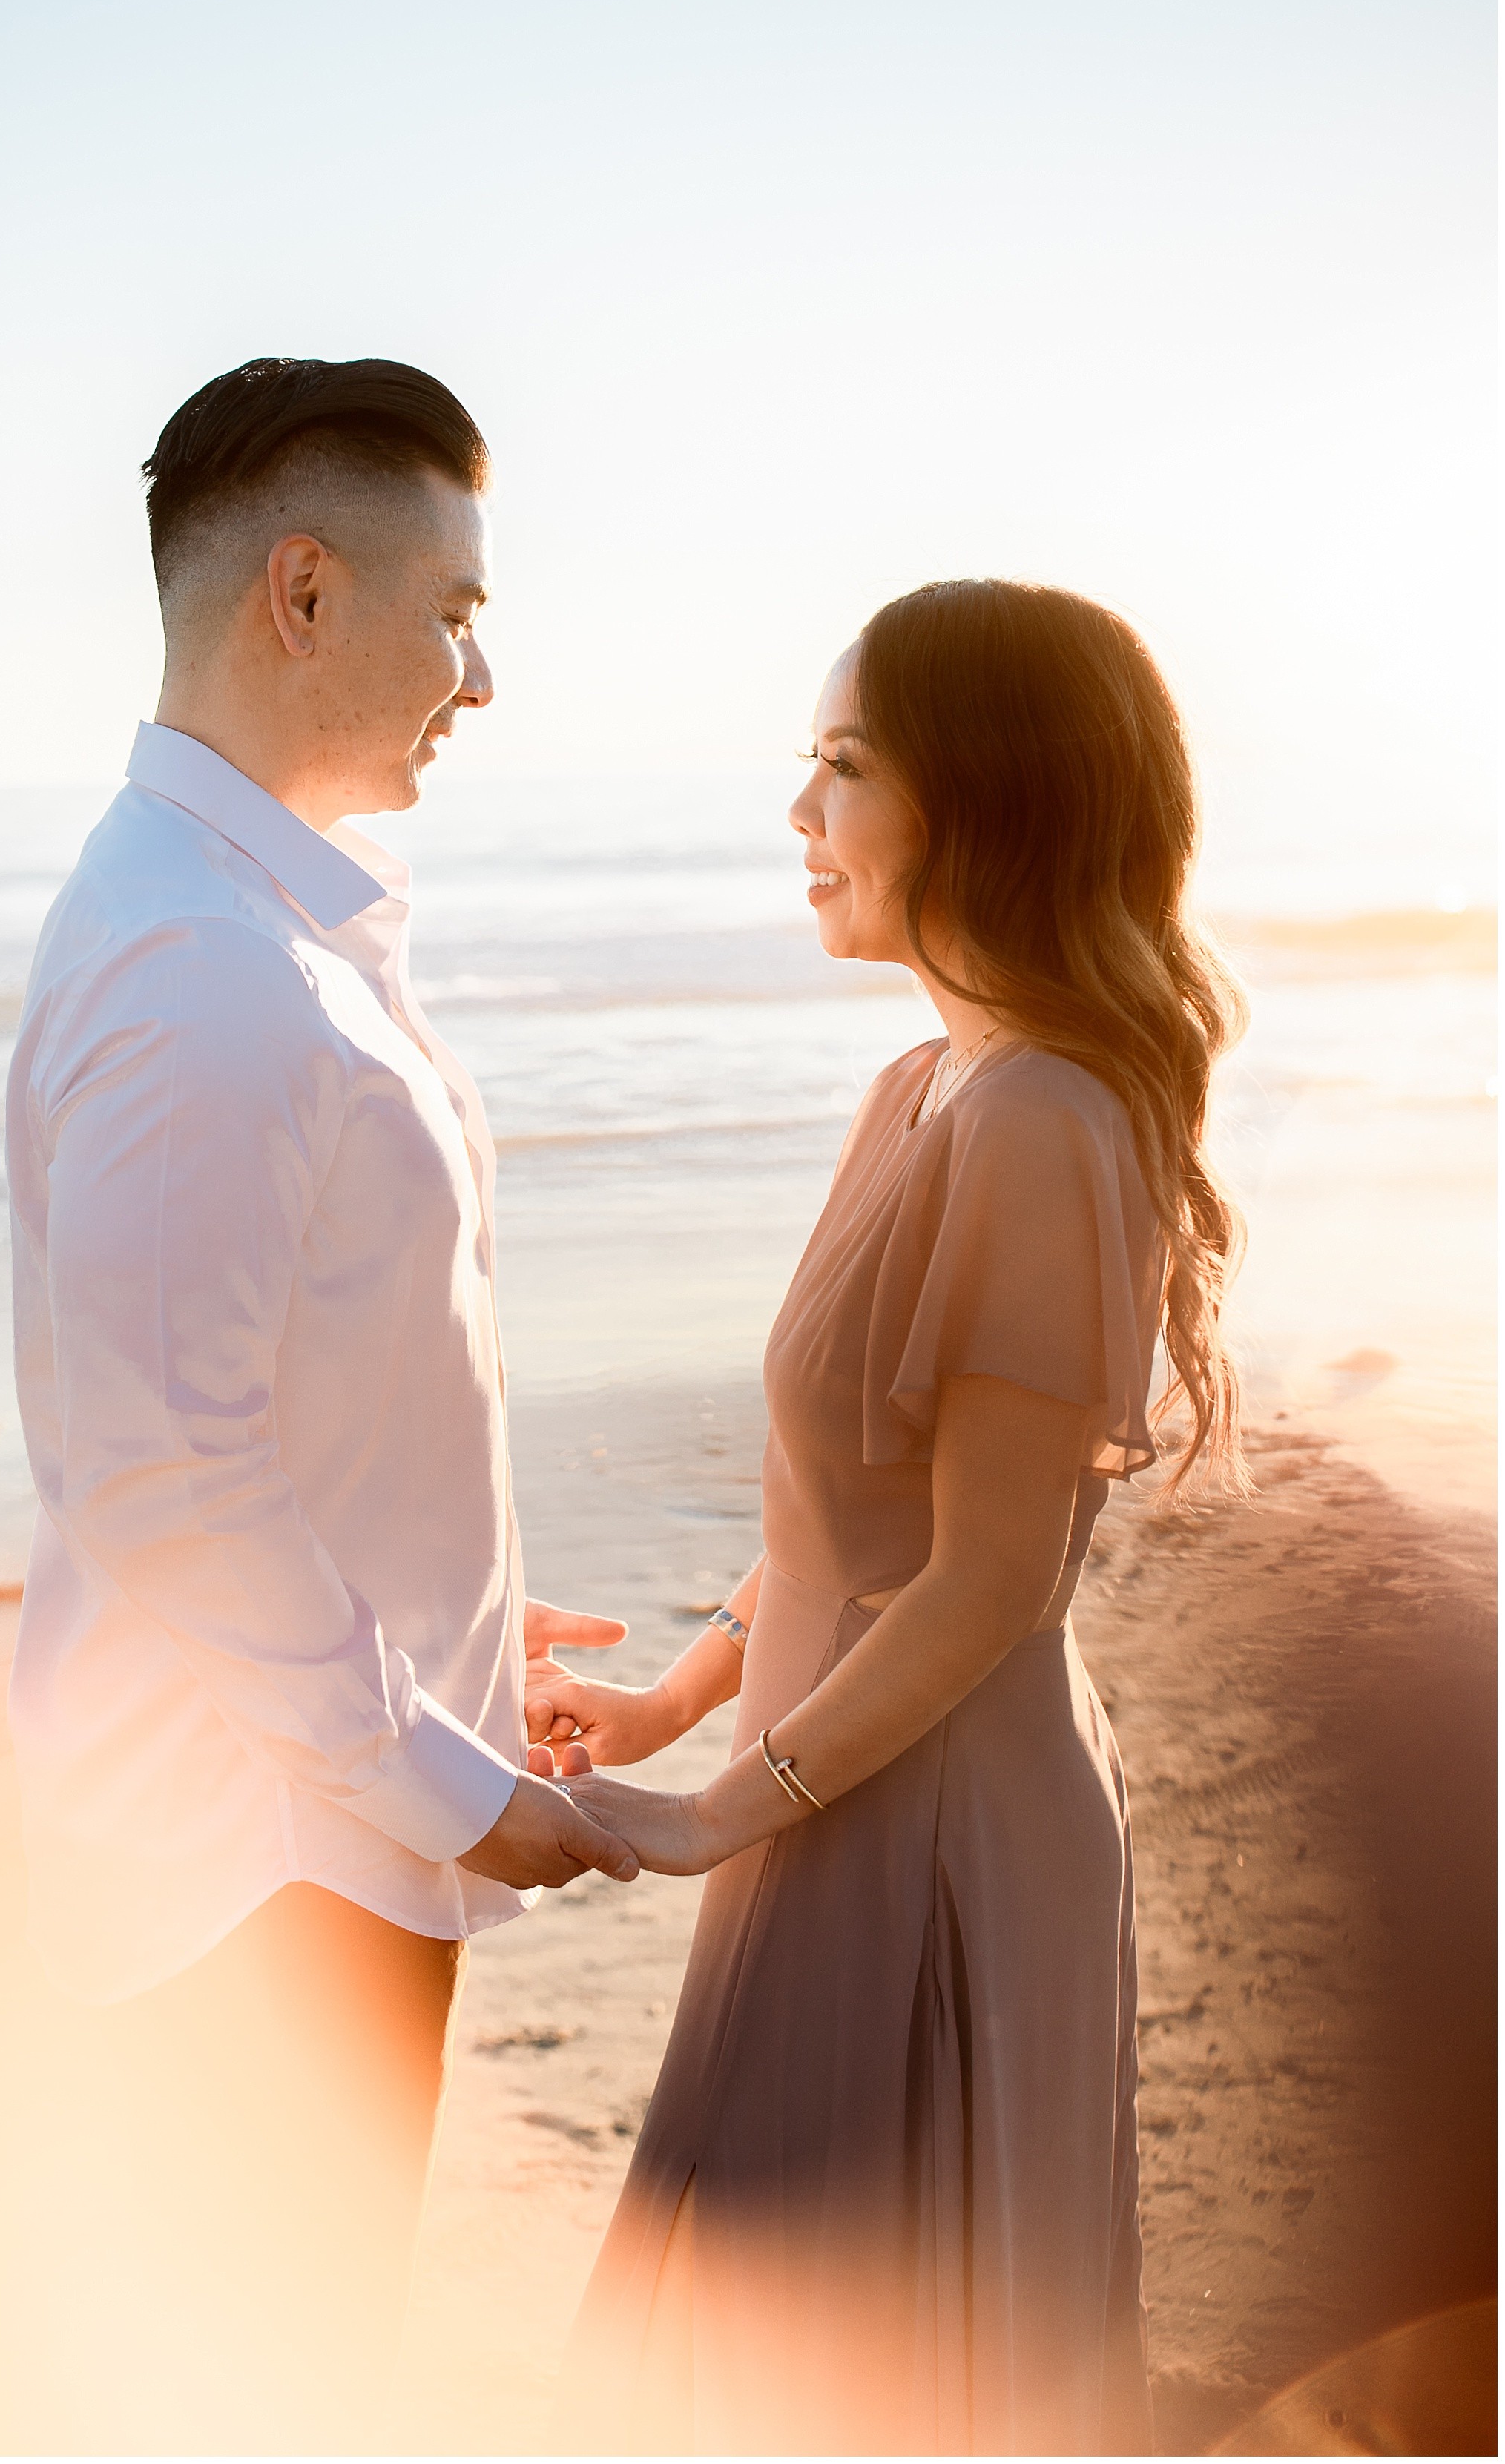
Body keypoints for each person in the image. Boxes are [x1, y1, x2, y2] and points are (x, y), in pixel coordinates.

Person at [532, 579, 1248, 2456]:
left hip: (921, 1808)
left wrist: (713, 1810)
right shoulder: (918, 1085)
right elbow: (848, 1510)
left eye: (842, 769)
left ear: (981, 803)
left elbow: (988, 1581)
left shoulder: (1041, 1122)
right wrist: (677, 1703)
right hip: (822, 1770)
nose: (798, 818)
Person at [4, 355, 638, 2445]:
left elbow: (288, 1392)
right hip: (259, 1871)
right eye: (454, 607)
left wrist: (467, 1621)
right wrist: (452, 1779)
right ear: (301, 593)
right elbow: (168, 1477)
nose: (482, 670)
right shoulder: (207, 973)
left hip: (302, 1810)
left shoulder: (261, 925)